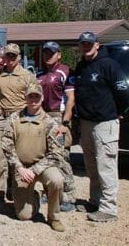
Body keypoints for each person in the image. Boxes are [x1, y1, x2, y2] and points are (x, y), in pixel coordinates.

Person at [72, 32, 129, 222]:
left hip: (105, 123)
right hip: (87, 123)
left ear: (98, 45)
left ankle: (109, 208)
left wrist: (119, 111)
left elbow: (124, 91)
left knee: (106, 166)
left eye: (90, 43)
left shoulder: (109, 65)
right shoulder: (82, 67)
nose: (86, 46)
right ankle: (95, 200)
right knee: (91, 166)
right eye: (83, 44)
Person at [2, 83, 66, 232]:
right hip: (22, 168)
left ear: (42, 98)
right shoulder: (14, 118)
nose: (33, 100)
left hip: (43, 167)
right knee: (23, 216)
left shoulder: (50, 122)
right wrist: (19, 167)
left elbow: (57, 153)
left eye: (36, 96)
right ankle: (35, 198)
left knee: (57, 180)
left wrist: (35, 170)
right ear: (25, 98)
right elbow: (6, 144)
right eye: (30, 96)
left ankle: (54, 217)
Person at [0, 43, 39, 199]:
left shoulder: (28, 76)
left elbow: (36, 100)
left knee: (17, 158)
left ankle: (15, 191)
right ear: (3, 57)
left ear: (19, 57)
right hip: (0, 119)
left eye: (13, 55)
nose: (10, 58)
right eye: (8, 55)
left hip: (19, 119)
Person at [37, 41, 76, 211]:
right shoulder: (39, 74)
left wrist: (65, 122)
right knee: (47, 157)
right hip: (43, 117)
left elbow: (71, 99)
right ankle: (50, 192)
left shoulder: (65, 72)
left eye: (51, 53)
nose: (48, 56)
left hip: (58, 117)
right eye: (46, 52)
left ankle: (68, 196)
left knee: (62, 157)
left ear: (59, 54)